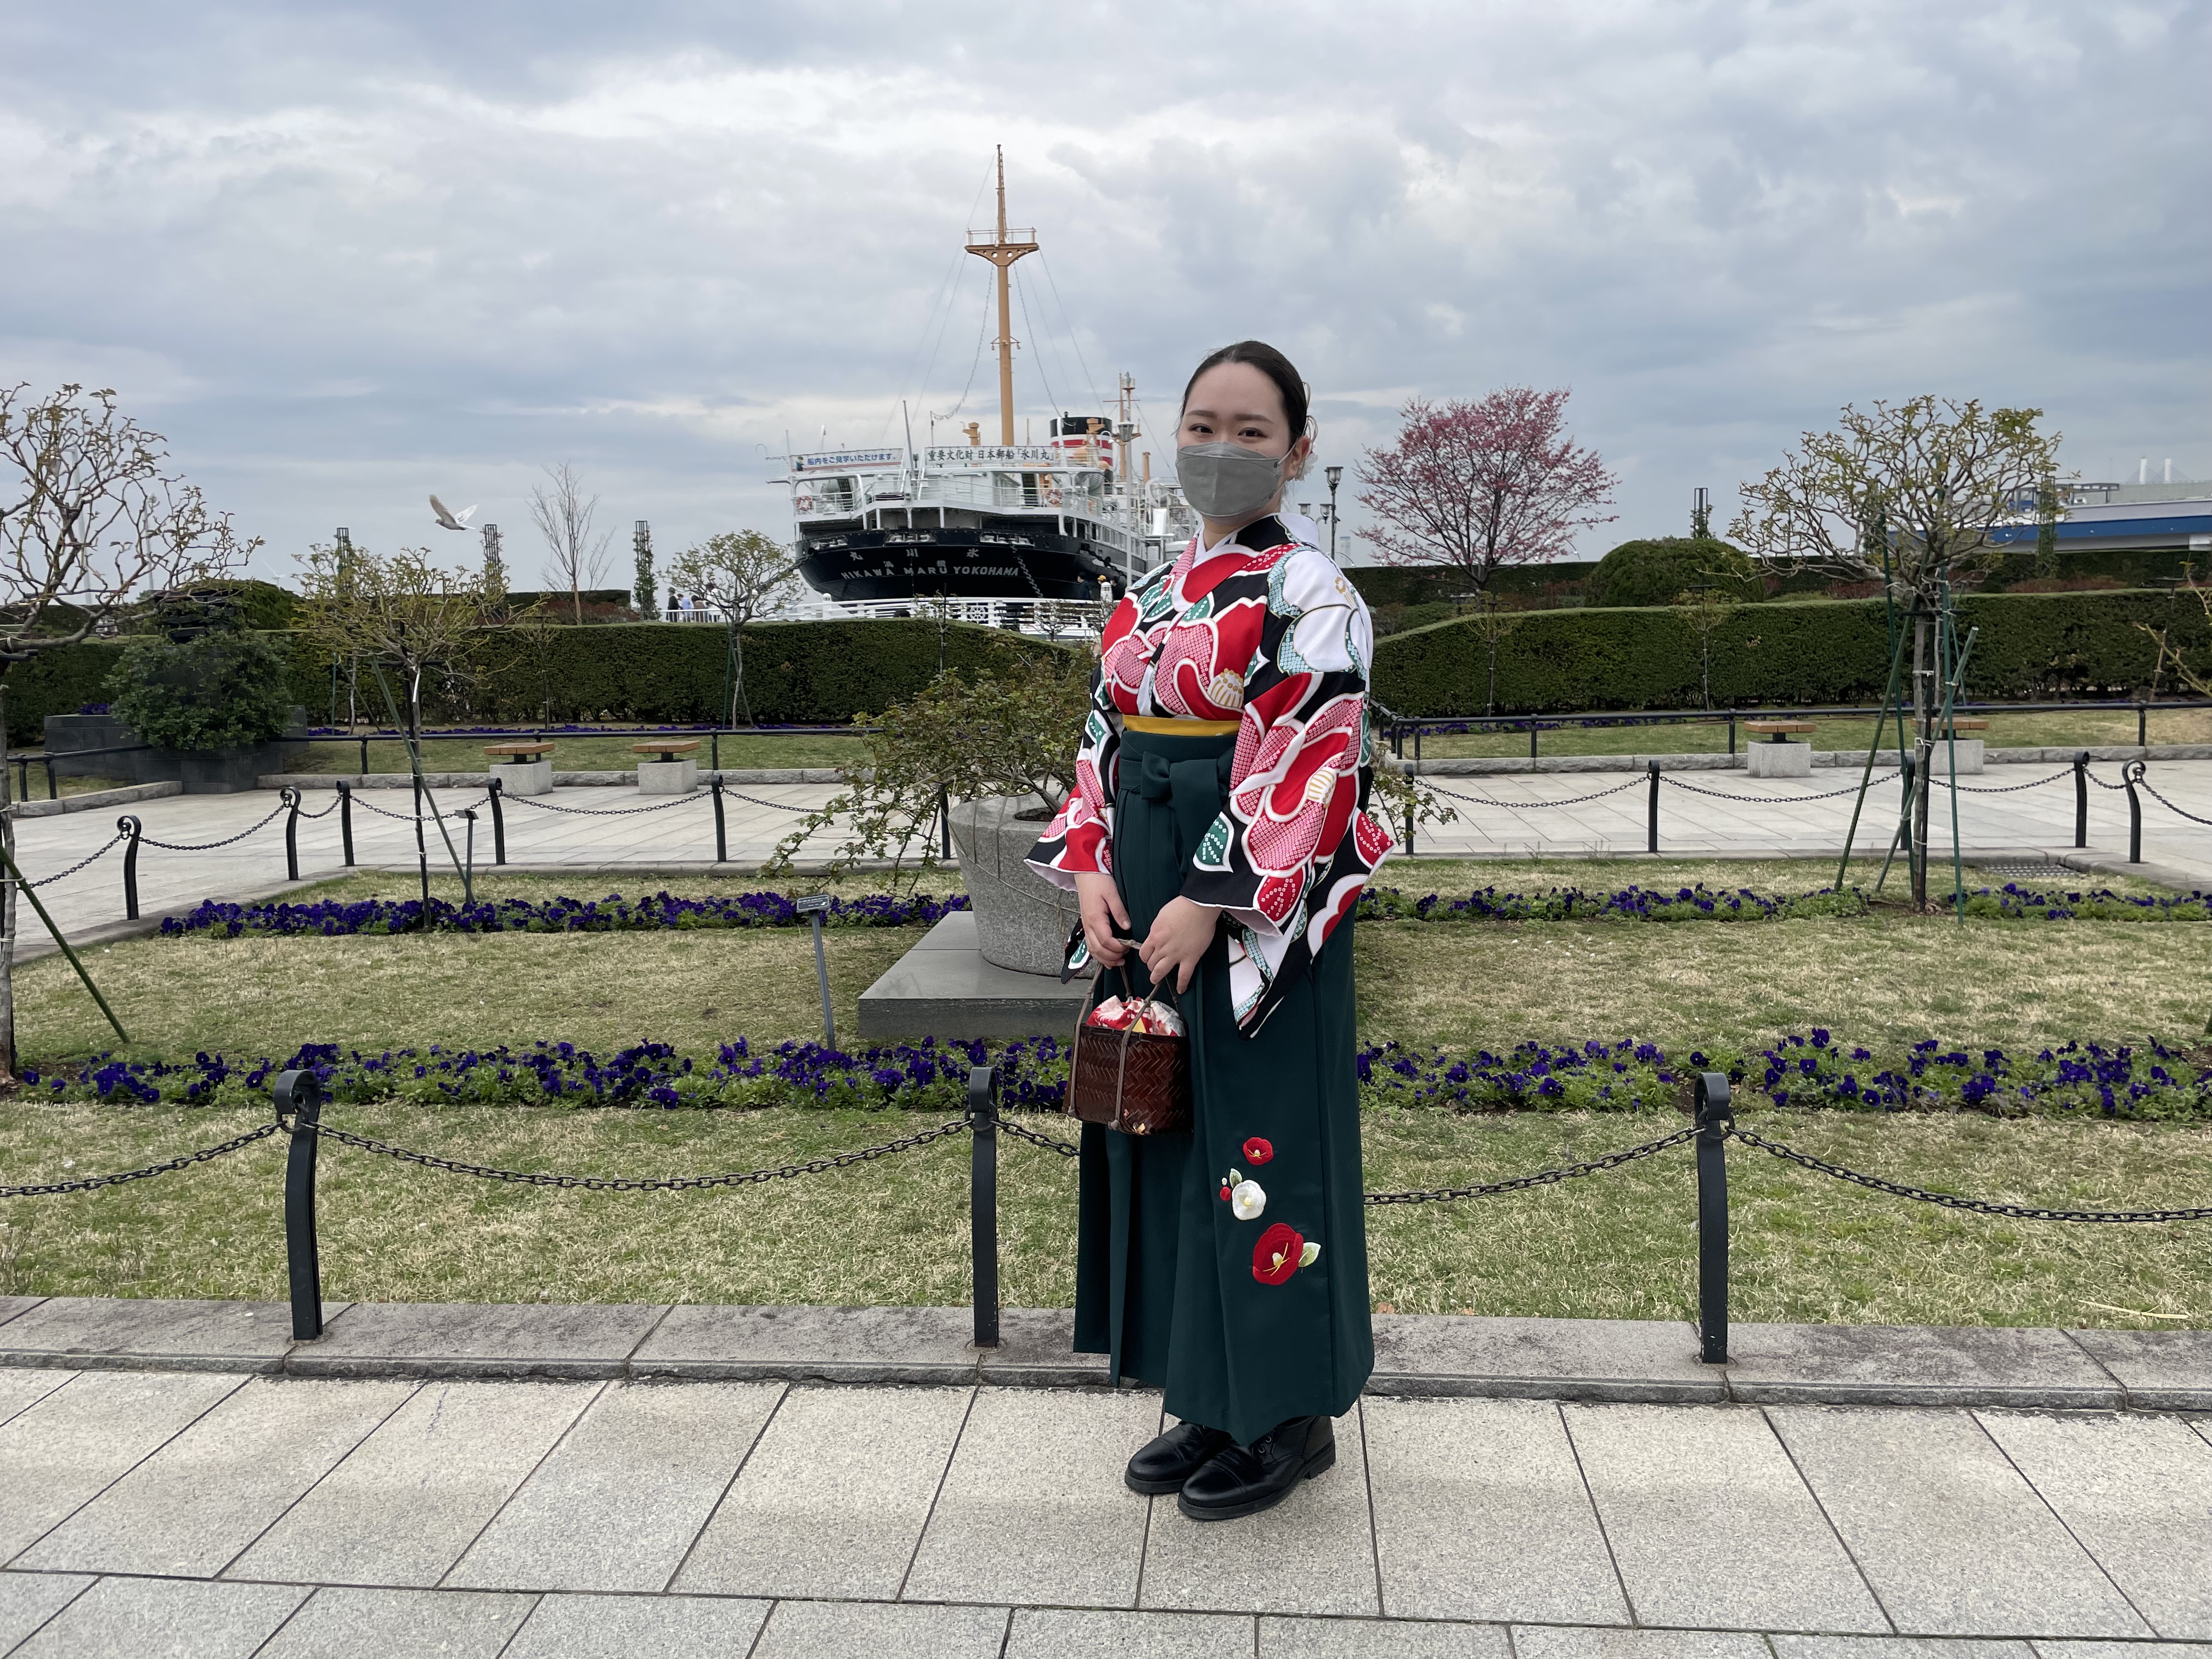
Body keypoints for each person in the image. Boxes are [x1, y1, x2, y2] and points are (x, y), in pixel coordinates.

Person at [1026, 341, 1395, 1522]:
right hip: (1143, 891)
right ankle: (1203, 1391)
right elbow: (1101, 742)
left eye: (1249, 431)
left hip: (1246, 907)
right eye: (1202, 425)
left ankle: (1286, 1412)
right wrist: (1088, 866)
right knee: (1167, 1129)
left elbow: (1313, 762)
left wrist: (1212, 896)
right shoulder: (1146, 596)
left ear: (1296, 450)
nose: (1220, 451)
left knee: (1262, 1142)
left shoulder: (1314, 596)